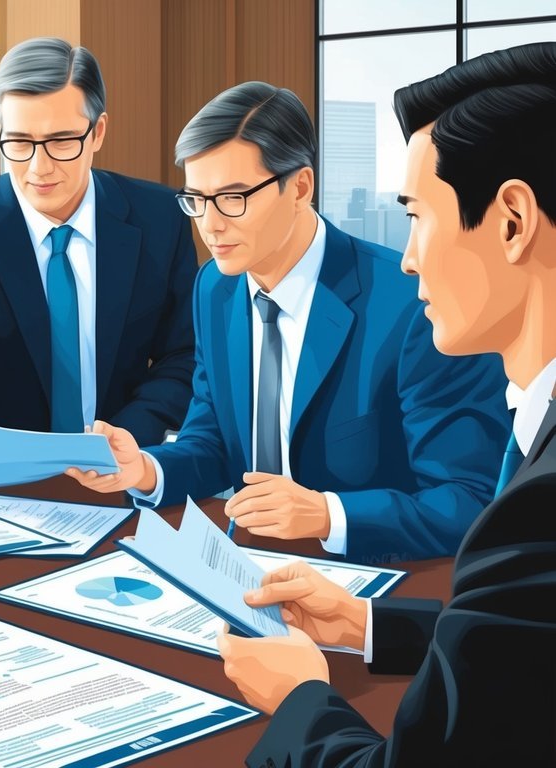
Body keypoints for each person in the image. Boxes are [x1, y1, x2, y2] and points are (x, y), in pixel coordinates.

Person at [216, 43, 556, 765]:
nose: (407, 258)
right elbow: (523, 646)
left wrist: (301, 697)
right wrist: (365, 624)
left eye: (416, 216)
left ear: (511, 222)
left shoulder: (540, 507)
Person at [65, 81, 510, 563]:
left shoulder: (410, 304)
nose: (210, 224)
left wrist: (326, 514)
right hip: (243, 568)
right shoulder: (215, 287)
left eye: (233, 197)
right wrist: (145, 469)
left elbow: (469, 499)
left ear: (299, 187)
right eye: (197, 198)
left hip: (370, 588)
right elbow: (211, 439)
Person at [0, 36, 197, 480]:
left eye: (60, 141)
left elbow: (184, 355)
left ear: (98, 132)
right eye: (18, 142)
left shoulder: (159, 218)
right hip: (2, 481)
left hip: (126, 472)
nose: (38, 167)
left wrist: (127, 439)